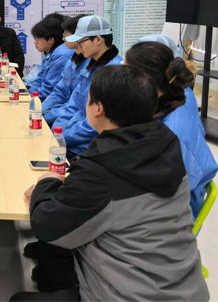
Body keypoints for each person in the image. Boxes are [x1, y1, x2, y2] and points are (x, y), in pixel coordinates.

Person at [13, 65, 209, 302]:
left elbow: (46, 224)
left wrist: (47, 182)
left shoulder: (102, 168)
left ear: (98, 109)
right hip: (185, 290)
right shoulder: (166, 143)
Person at [126, 41, 217, 218]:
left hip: (176, 215)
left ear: (145, 79)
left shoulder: (171, 131)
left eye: (125, 71)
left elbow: (169, 192)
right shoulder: (167, 100)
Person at [54, 15, 122, 158]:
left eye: (81, 42)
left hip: (91, 149)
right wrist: (56, 132)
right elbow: (73, 106)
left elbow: (97, 123)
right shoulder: (90, 65)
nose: (78, 47)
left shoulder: (115, 73)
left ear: (98, 40)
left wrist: (62, 138)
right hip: (72, 140)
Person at [42, 15, 89, 125]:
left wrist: (59, 129)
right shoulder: (73, 58)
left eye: (66, 35)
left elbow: (77, 108)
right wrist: (39, 112)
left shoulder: (96, 66)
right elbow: (60, 92)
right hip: (65, 116)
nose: (63, 39)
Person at [28, 16, 74, 100]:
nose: (35, 42)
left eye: (38, 39)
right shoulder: (50, 52)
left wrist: (31, 100)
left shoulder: (61, 55)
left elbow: (49, 88)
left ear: (50, 40)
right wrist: (30, 95)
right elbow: (39, 78)